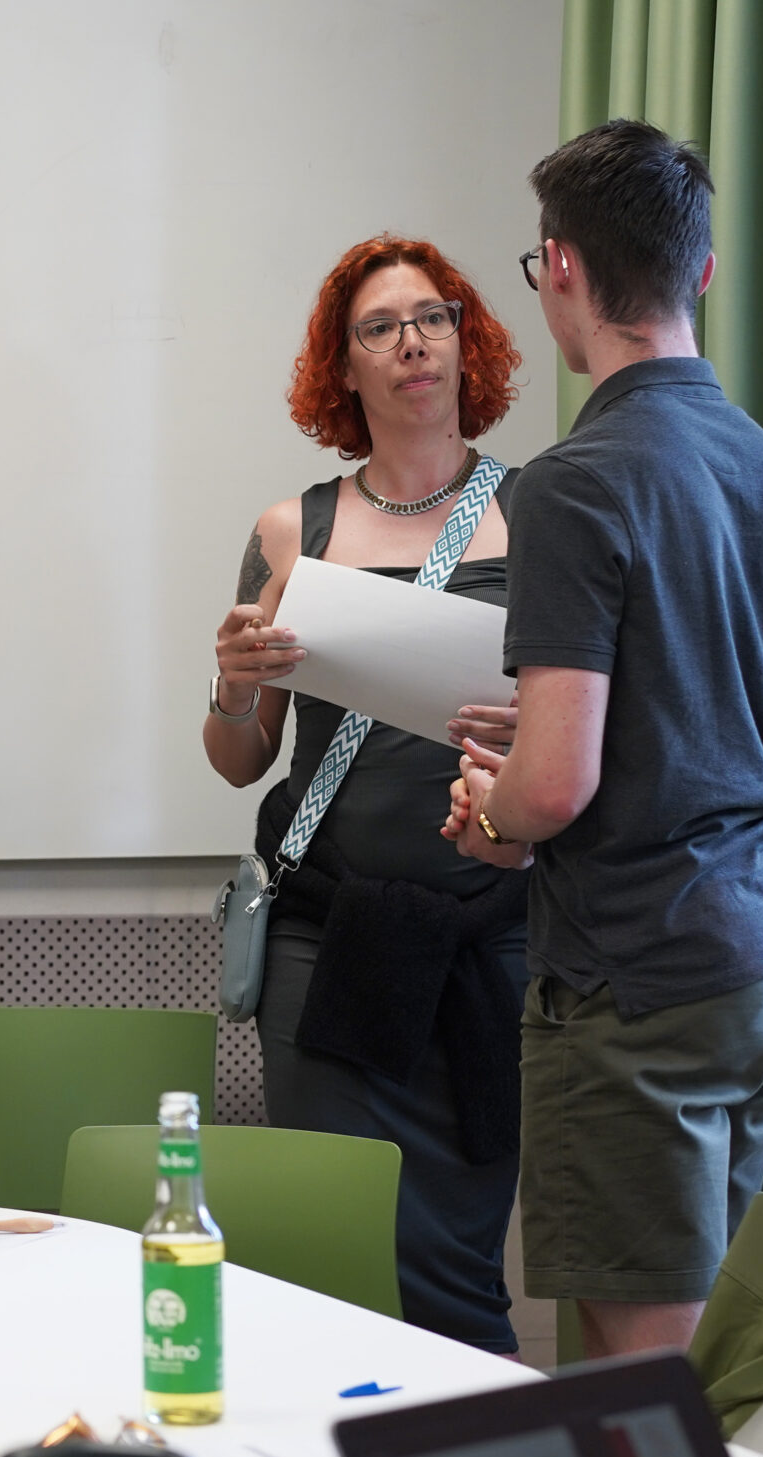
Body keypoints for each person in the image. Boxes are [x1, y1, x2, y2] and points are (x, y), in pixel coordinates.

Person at [447, 119, 763, 1360]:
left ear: (559, 269)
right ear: (704, 274)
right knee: (700, 1357)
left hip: (641, 977)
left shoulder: (574, 480)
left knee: (641, 1389)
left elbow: (556, 786)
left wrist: (491, 804)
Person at [203, 236, 530, 1354]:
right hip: (322, 937)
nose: (412, 342)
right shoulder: (289, 532)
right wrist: (236, 685)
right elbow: (240, 756)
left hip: (494, 939)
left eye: (432, 316)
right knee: (330, 1255)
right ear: (341, 368)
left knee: (454, 1261)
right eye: (380, 327)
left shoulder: (542, 519)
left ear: (465, 336)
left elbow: (593, 730)